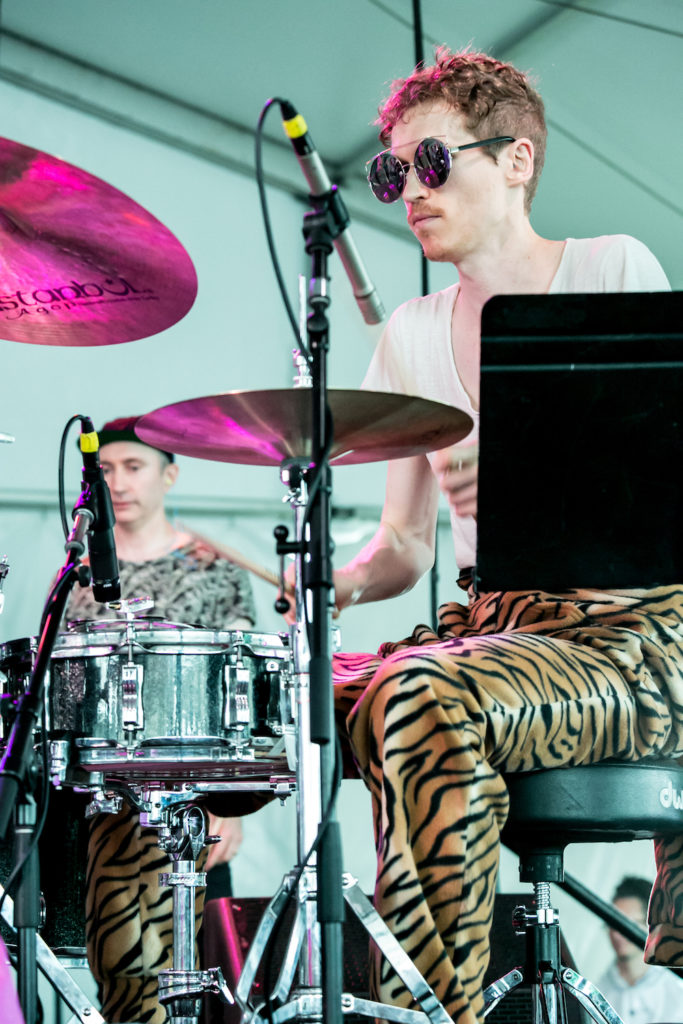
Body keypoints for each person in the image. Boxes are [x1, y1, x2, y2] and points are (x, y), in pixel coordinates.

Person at [322, 48, 683, 1024]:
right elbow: (401, 547)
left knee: (419, 694)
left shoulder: (613, 266)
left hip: (622, 631)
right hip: (493, 629)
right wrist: (321, 582)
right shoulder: (407, 329)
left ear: (516, 159)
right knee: (309, 687)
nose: (408, 192)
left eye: (430, 163)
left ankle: (425, 1005)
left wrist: (553, 489)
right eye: (393, 172)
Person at [65, 416, 257, 1023]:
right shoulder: (79, 577)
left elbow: (243, 685)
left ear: (169, 475)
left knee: (195, 963)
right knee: (119, 962)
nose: (117, 482)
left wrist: (228, 801)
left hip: (192, 801)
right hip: (106, 801)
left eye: (133, 467)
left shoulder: (214, 567)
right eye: (105, 471)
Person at [598, 876, 683, 1023]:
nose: (618, 934)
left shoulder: (677, 988)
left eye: (628, 924)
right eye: (613, 923)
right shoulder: (596, 993)